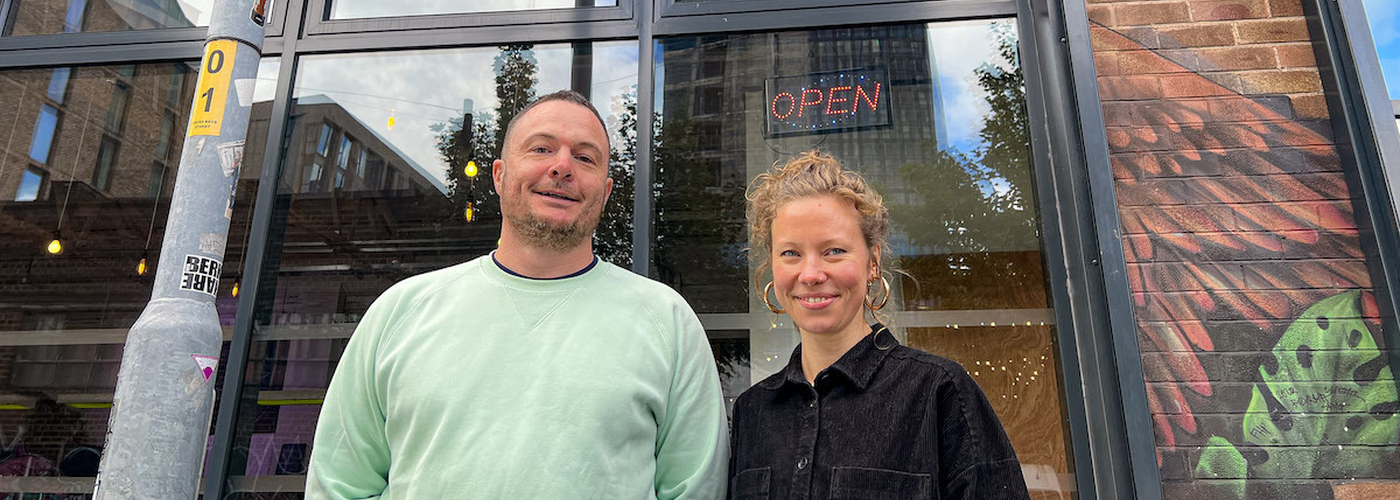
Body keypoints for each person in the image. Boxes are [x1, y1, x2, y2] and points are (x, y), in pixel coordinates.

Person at [306, 90, 729, 499]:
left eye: (584, 158)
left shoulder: (667, 320)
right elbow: (340, 485)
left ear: (606, 192)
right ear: (499, 175)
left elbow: (696, 489)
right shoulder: (400, 311)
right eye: (541, 149)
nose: (562, 167)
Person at [729, 150, 1030, 500]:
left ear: (873, 263)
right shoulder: (752, 412)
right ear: (772, 267)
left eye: (834, 251)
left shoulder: (937, 392)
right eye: (791, 253)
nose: (810, 274)